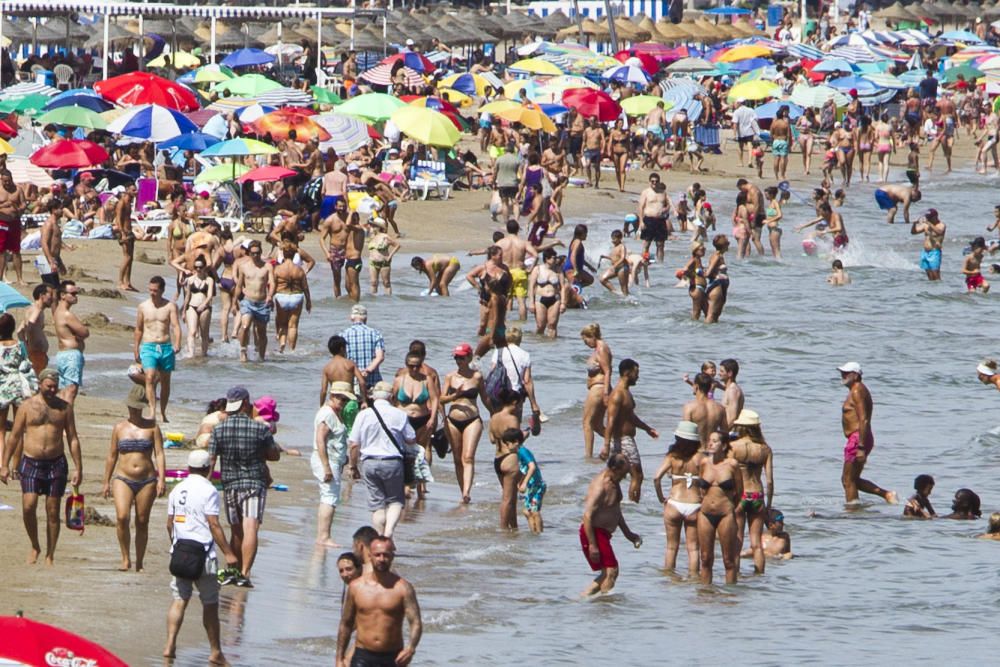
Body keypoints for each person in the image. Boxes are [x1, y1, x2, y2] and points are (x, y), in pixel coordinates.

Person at [163, 449, 239, 665]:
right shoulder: (209, 491)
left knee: (179, 599)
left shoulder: (178, 489)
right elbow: (213, 524)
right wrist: (229, 553)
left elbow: (170, 523)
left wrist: (176, 545)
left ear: (188, 468)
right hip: (204, 554)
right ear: (209, 469)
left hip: (180, 553)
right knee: (210, 603)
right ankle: (215, 651)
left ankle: (169, 645)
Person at [0, 368, 81, 565]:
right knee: (29, 506)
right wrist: (5, 464)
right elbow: (15, 437)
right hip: (31, 461)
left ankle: (50, 554)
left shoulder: (64, 408)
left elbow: (72, 438)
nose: (53, 390)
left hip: (56, 463)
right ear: (40, 384)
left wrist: (78, 467)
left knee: (53, 510)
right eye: (49, 386)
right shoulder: (27, 407)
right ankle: (35, 545)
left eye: (55, 386)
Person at [208, 386, 281, 588]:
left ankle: (234, 570)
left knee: (236, 530)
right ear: (247, 404)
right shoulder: (260, 429)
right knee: (251, 528)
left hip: (230, 483)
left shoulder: (218, 429)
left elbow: (211, 460)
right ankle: (245, 572)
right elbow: (274, 455)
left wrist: (205, 484)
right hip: (254, 483)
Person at [101, 385, 165, 572]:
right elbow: (112, 455)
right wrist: (105, 481)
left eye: (137, 408)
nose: (134, 411)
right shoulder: (119, 428)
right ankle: (125, 558)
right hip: (123, 477)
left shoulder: (152, 428)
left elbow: (159, 453)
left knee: (142, 520)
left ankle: (140, 561)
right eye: (131, 407)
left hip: (147, 478)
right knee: (122, 517)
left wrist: (161, 479)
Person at [336, 536, 422, 667]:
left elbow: (415, 622)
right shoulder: (356, 587)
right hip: (362, 656)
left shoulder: (403, 588)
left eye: (385, 555)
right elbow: (346, 624)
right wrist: (339, 658)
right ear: (370, 556)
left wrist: (411, 648)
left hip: (393, 657)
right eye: (377, 555)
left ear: (392, 557)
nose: (381, 559)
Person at [348, 381, 416, 537]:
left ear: (373, 397)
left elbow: (353, 445)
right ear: (391, 397)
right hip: (393, 462)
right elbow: (411, 438)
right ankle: (388, 533)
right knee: (395, 501)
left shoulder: (363, 415)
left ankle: (379, 537)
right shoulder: (399, 414)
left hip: (369, 463)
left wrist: (353, 466)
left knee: (377, 504)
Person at [579, 453, 642, 596]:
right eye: (623, 474)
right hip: (594, 532)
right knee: (611, 571)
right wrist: (592, 545)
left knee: (609, 573)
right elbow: (587, 516)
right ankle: (605, 607)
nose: (625, 477)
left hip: (603, 534)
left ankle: (584, 600)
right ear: (614, 468)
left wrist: (628, 534)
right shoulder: (601, 486)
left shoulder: (614, 482)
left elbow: (615, 509)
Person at [838, 361, 897, 505]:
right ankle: (886, 495)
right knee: (852, 479)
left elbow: (863, 419)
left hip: (858, 438)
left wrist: (861, 447)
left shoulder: (858, 390)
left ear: (856, 375)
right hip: (857, 438)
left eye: (847, 373)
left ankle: (852, 510)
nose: (842, 375)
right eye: (842, 372)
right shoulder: (855, 390)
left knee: (848, 479)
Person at [601, 358, 658, 502]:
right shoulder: (618, 394)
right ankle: (632, 506)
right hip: (623, 440)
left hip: (625, 439)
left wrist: (647, 429)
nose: (638, 376)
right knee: (636, 475)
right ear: (627, 372)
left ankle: (616, 504)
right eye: (636, 372)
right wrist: (606, 445)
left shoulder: (626, 392)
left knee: (616, 476)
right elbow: (610, 421)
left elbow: (631, 417)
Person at [652, 421, 703, 576]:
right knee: (693, 548)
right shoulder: (700, 458)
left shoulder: (672, 457)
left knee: (671, 547)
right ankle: (693, 579)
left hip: (674, 503)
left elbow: (656, 478)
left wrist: (661, 498)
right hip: (694, 504)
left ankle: (670, 581)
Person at [728, 409, 773, 575]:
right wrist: (769, 504)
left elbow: (727, 473)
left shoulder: (732, 447)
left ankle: (735, 575)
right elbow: (769, 480)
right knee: (756, 543)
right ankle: (759, 576)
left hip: (740, 496)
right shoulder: (765, 449)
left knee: (737, 540)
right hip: (757, 495)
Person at [312, 381, 356, 548]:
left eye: (346, 400)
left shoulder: (333, 413)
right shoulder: (327, 414)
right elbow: (320, 440)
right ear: (333, 396)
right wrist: (326, 467)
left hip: (332, 460)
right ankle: (323, 536)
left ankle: (324, 535)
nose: (344, 403)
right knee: (329, 498)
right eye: (342, 399)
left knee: (331, 497)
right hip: (326, 460)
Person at [697, 429, 742, 584]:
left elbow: (739, 491)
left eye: (715, 441)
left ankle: (729, 596)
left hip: (725, 514)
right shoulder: (704, 463)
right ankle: (705, 593)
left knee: (728, 560)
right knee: (705, 558)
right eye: (709, 440)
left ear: (723, 446)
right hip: (705, 514)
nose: (710, 443)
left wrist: (730, 507)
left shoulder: (732, 465)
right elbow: (701, 488)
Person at [442, 343, 485, 504]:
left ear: (469, 357)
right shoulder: (450, 377)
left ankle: (467, 492)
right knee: (457, 458)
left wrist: (496, 414)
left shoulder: (477, 377)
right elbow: (441, 399)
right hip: (452, 420)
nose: (458, 361)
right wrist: (455, 396)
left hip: (472, 419)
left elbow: (485, 397)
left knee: (468, 457)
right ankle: (463, 492)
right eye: (456, 358)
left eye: (461, 358)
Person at [134, 276, 181, 422]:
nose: (152, 293)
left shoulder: (170, 306)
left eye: (155, 290)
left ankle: (163, 412)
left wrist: (178, 343)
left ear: (162, 290)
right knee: (149, 377)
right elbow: (139, 329)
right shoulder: (143, 306)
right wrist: (136, 348)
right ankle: (152, 411)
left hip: (165, 347)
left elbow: (176, 326)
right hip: (148, 346)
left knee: (166, 381)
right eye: (150, 290)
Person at [233, 240, 276, 362]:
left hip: (262, 303)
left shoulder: (267, 267)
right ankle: (243, 351)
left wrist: (270, 296)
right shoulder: (244, 267)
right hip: (248, 301)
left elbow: (272, 283)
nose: (255, 256)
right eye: (253, 253)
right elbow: (239, 286)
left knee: (261, 332)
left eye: (257, 253)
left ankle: (261, 357)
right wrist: (234, 302)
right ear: (249, 253)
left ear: (261, 252)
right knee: (245, 326)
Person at [52, 280, 88, 405]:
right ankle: (67, 421)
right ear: (62, 295)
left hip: (62, 355)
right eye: (72, 293)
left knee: (63, 392)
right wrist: (80, 334)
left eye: (76, 293)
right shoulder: (67, 314)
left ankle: (61, 420)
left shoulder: (57, 312)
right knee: (71, 392)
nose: (75, 296)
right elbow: (85, 332)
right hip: (71, 355)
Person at [274, 242, 312, 353]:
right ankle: (291, 350)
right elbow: (305, 287)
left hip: (281, 296)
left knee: (282, 323)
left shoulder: (278, 269)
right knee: (293, 326)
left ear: (284, 254)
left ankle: (282, 344)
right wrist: (308, 301)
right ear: (294, 254)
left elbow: (273, 285)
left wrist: (269, 298)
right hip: (296, 296)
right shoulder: (299, 270)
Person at [580, 323, 611, 458]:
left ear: (592, 336)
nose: (585, 343)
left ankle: (588, 456)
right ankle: (619, 445)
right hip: (597, 388)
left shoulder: (601, 348)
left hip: (599, 388)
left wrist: (605, 392)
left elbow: (608, 371)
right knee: (597, 425)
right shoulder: (597, 349)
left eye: (585, 340)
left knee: (587, 423)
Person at [340, 304, 386, 387]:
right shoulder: (375, 333)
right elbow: (380, 357)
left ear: (351, 317)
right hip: (373, 381)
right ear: (365, 318)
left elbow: (341, 360)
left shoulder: (343, 335)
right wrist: (367, 370)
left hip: (351, 381)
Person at [682, 372, 728, 449]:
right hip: (712, 451)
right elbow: (725, 434)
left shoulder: (689, 407)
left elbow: (686, 436)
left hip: (696, 453)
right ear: (710, 387)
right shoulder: (720, 408)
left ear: (696, 386)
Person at [180, 258, 215, 358]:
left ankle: (204, 354)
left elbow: (210, 295)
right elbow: (187, 296)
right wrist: (183, 311)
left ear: (204, 267)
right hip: (192, 306)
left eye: (200, 267)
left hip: (205, 308)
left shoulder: (209, 280)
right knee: (192, 331)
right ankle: (191, 354)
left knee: (204, 333)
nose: (198, 269)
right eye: (196, 267)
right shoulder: (190, 280)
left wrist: (204, 304)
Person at [528, 248, 565, 337]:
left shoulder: (558, 270)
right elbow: (531, 287)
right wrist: (531, 303)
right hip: (540, 299)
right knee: (540, 325)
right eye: (553, 257)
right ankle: (540, 345)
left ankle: (552, 347)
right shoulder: (537, 269)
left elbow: (563, 287)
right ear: (547, 258)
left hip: (555, 299)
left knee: (552, 325)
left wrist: (563, 303)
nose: (556, 259)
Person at [19, 284, 54, 375]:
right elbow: (30, 326)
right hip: (36, 354)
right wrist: (31, 346)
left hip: (35, 354)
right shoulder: (37, 310)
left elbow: (20, 331)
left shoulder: (32, 309)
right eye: (51, 294)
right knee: (37, 382)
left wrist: (26, 347)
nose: (53, 298)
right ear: (42, 295)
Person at [516, 430, 546, 534]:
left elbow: (532, 467)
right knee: (527, 511)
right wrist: (519, 482)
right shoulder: (517, 452)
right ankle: (534, 533)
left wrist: (524, 483)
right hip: (530, 486)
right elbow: (523, 469)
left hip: (536, 485)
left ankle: (539, 533)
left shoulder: (522, 451)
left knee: (534, 511)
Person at [0, 168, 26, 284]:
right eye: (4, 181)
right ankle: (0, 278)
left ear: (12, 179)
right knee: (1, 250)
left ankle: (20, 278)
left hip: (14, 221)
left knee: (16, 250)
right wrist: (4, 205)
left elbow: (23, 204)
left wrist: (18, 208)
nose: (7, 183)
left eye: (8, 181)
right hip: (2, 222)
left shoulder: (18, 190)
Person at [910, 209, 945, 281]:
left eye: (929, 217)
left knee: (935, 274)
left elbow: (939, 232)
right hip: (925, 252)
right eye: (927, 217)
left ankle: (939, 289)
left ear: (935, 217)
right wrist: (914, 224)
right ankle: (931, 290)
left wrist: (929, 223)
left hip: (934, 252)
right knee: (929, 274)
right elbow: (913, 232)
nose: (927, 219)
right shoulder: (925, 225)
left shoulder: (941, 225)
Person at [719, 359, 744, 426]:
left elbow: (733, 418)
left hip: (731, 432)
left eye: (721, 371)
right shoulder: (729, 389)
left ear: (730, 373)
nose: (719, 373)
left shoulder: (732, 391)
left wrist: (723, 433)